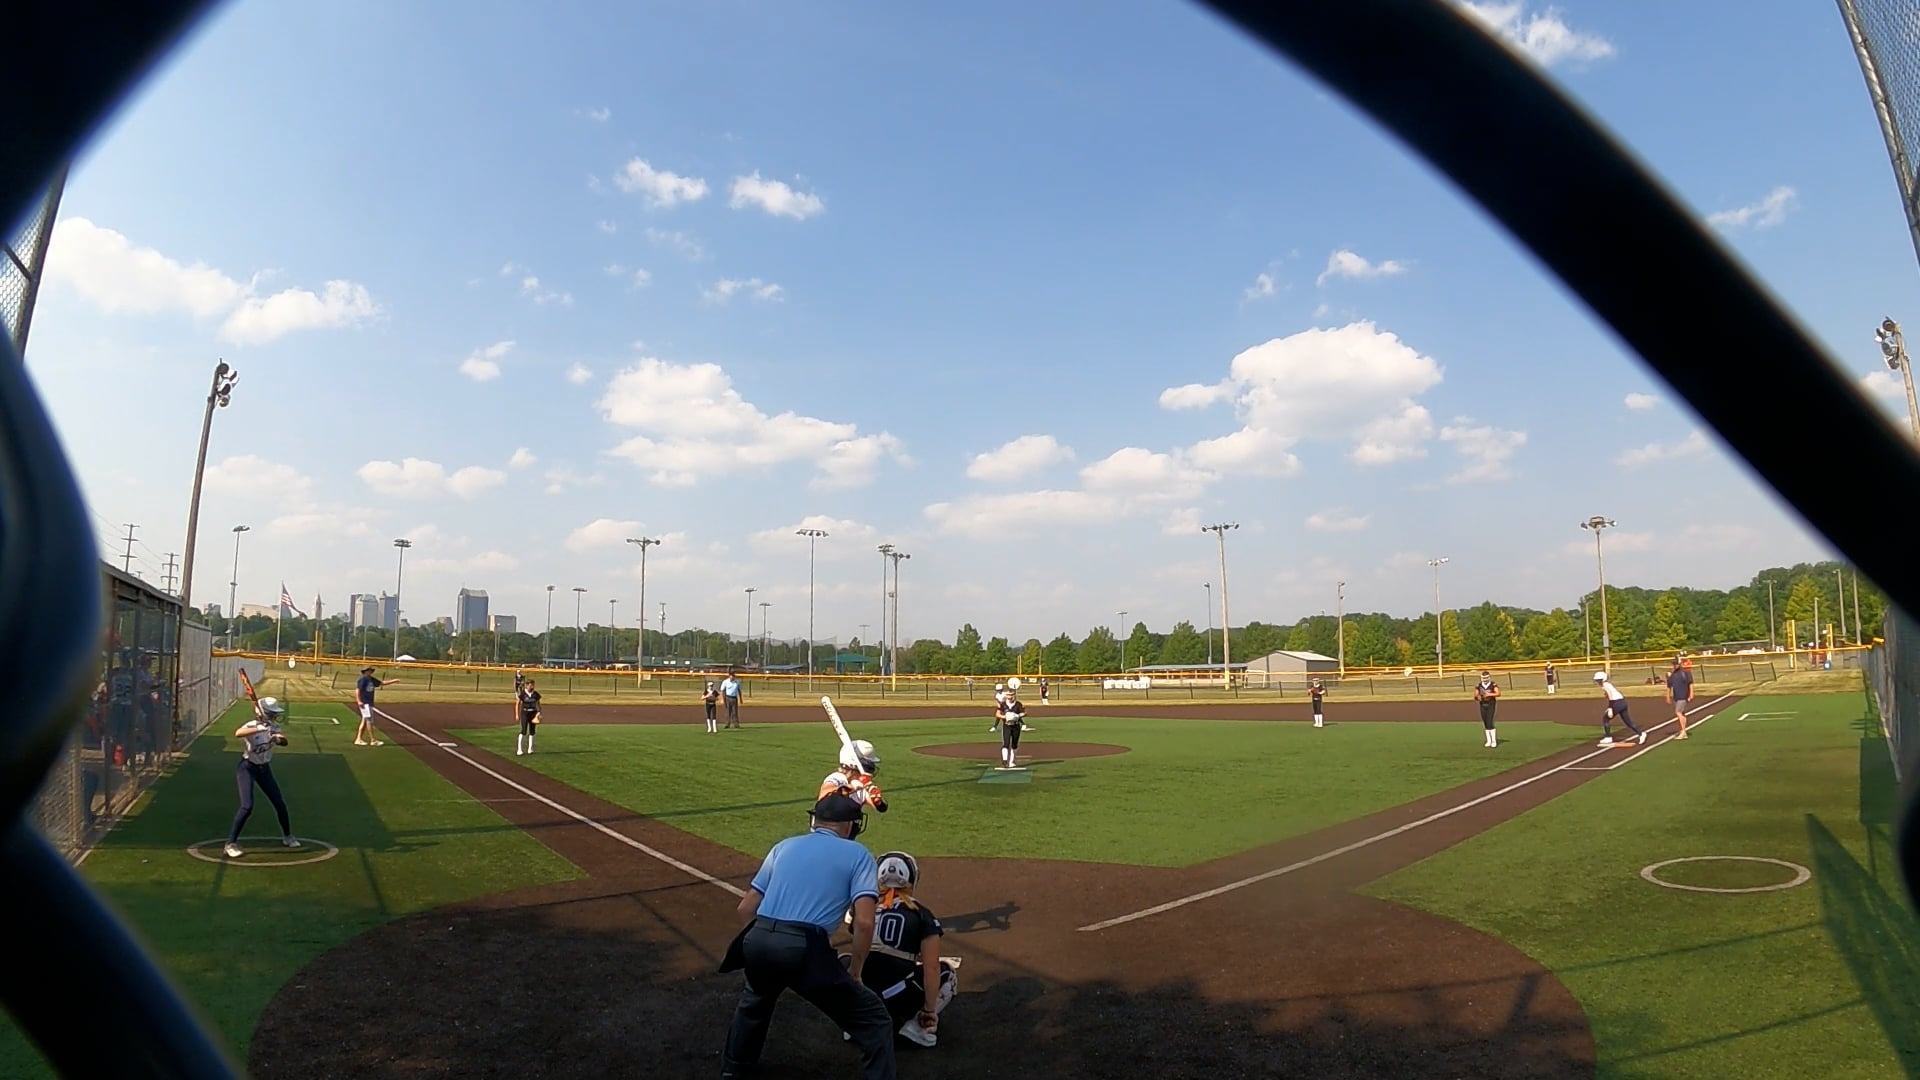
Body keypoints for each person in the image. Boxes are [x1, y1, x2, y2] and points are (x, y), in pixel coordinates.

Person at [719, 794, 895, 1080]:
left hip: (758, 938)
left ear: (815, 820)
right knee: (874, 1019)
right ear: (850, 825)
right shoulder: (858, 854)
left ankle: (733, 1071)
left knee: (755, 1003)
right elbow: (864, 922)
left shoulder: (784, 846)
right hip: (803, 946)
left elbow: (746, 908)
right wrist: (855, 971)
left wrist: (768, 942)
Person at [843, 851, 958, 1048]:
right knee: (947, 974)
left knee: (844, 961)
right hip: (896, 997)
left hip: (863, 995)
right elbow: (931, 968)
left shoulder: (864, 908)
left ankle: (855, 1020)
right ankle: (917, 1028)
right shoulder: (921, 914)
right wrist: (929, 1010)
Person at [224, 696, 297, 858]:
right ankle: (230, 844)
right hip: (247, 768)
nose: (274, 717)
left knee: (279, 803)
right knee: (247, 806)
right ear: (264, 714)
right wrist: (259, 729)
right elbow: (238, 733)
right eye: (272, 714)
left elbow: (284, 741)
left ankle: (288, 836)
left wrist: (277, 738)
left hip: (265, 770)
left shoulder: (273, 727)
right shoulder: (252, 725)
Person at [821, 740, 890, 814]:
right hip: (826, 821)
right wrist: (852, 787)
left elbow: (881, 808)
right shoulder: (836, 778)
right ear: (853, 765)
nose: (869, 771)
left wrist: (877, 800)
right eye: (868, 767)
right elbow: (825, 795)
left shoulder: (861, 786)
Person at [1593, 671, 1645, 746]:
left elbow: (1610, 696)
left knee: (1605, 719)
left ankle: (1608, 737)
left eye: (1598, 680)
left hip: (1616, 703)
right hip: (1622, 702)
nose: (1597, 681)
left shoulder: (1605, 685)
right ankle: (1641, 733)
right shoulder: (1608, 684)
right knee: (1628, 722)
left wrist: (1610, 708)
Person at [354, 665, 399, 746]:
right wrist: (359, 701)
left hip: (369, 703)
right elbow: (358, 690)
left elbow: (381, 683)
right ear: (365, 671)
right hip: (365, 703)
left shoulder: (371, 679)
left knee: (365, 721)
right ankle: (373, 740)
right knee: (369, 721)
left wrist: (394, 681)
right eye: (369, 670)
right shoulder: (363, 680)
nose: (371, 672)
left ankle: (358, 739)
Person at [992, 691, 1027, 769]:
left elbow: (1025, 713)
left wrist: (1018, 716)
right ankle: (1005, 761)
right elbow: (997, 714)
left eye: (1011, 695)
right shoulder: (1003, 704)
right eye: (1008, 695)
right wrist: (1005, 717)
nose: (1010, 697)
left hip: (1016, 726)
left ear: (1014, 695)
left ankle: (1012, 762)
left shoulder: (1018, 704)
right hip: (1007, 726)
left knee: (1014, 744)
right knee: (1006, 743)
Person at [1666, 655, 1693, 740]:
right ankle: (1683, 731)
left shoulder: (1685, 673)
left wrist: (1691, 694)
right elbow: (1669, 686)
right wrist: (1668, 696)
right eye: (1674, 664)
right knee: (1682, 713)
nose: (1675, 665)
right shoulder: (1673, 674)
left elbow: (1690, 683)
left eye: (1676, 664)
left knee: (1678, 712)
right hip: (1677, 696)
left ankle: (1683, 732)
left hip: (1683, 696)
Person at [516, 677, 542, 756]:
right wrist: (517, 714)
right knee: (523, 731)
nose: (532, 687)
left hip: (533, 713)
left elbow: (538, 704)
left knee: (532, 731)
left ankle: (530, 749)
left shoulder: (535, 694)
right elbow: (517, 704)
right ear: (526, 685)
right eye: (531, 685)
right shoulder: (523, 694)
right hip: (525, 713)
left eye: (533, 685)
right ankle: (519, 749)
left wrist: (539, 712)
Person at [1474, 671, 1500, 748]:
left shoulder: (1493, 684)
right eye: (1483, 678)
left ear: (1489, 678)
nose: (1485, 679)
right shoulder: (1479, 685)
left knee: (1490, 722)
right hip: (1482, 705)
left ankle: (1493, 741)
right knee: (1485, 722)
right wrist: (1477, 697)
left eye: (1486, 678)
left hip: (1491, 704)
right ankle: (1488, 740)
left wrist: (1489, 694)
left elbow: (1498, 693)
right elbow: (1475, 694)